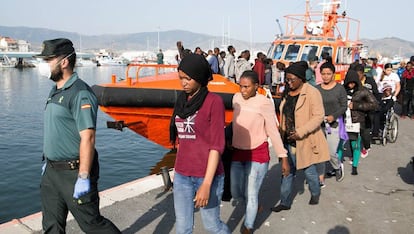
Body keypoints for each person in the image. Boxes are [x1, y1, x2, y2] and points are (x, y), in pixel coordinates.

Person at [36, 38, 121, 233]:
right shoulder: (55, 90)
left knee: (92, 224)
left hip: (73, 172)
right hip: (51, 171)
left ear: (63, 62)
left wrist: (83, 175)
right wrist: (48, 161)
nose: (44, 65)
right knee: (51, 226)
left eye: (48, 60)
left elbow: (88, 137)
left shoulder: (81, 93)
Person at [169, 54, 230, 234]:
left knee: (212, 226)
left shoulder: (214, 102)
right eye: (181, 78)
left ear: (200, 77)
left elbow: (217, 146)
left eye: (188, 78)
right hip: (182, 175)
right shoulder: (181, 101)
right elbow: (181, 140)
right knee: (183, 227)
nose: (184, 83)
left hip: (207, 175)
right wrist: (176, 169)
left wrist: (206, 184)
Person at [231, 70, 289, 233]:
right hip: (238, 152)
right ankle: (254, 206)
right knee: (236, 191)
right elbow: (235, 123)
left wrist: (283, 156)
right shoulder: (236, 99)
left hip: (257, 153)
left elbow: (272, 130)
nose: (243, 91)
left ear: (256, 86)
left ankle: (248, 226)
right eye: (241, 86)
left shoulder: (264, 103)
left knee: (251, 193)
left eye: (247, 87)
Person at [271, 61, 329, 212]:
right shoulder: (287, 92)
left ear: (301, 78)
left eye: (292, 80)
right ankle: (284, 202)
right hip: (287, 140)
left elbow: (318, 116)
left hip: (303, 140)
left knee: (308, 171)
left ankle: (315, 193)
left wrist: (301, 132)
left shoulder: (312, 92)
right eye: (287, 79)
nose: (289, 83)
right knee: (287, 172)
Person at [339, 70, 378, 175]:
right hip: (343, 121)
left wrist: (357, 106)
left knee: (355, 144)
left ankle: (355, 166)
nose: (351, 85)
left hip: (356, 122)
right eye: (349, 83)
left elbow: (374, 104)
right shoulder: (341, 90)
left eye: (353, 83)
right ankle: (337, 166)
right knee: (340, 144)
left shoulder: (363, 91)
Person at [316, 62, 348, 184]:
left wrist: (333, 116)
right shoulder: (317, 89)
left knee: (330, 151)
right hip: (319, 124)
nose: (326, 76)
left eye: (328, 74)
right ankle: (320, 177)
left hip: (334, 124)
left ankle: (337, 167)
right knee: (319, 151)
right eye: (323, 74)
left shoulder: (339, 89)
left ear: (333, 74)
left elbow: (344, 106)